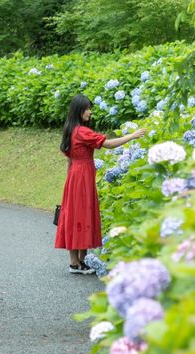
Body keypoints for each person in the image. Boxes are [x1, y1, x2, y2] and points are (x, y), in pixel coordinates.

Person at [55, 94, 147, 274]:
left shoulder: (70, 129)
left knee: (76, 216)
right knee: (82, 214)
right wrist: (133, 136)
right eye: (87, 108)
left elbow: (69, 160)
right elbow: (109, 144)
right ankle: (77, 263)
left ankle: (79, 262)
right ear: (79, 110)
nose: (90, 112)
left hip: (74, 175)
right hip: (82, 175)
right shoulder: (82, 131)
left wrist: (70, 182)